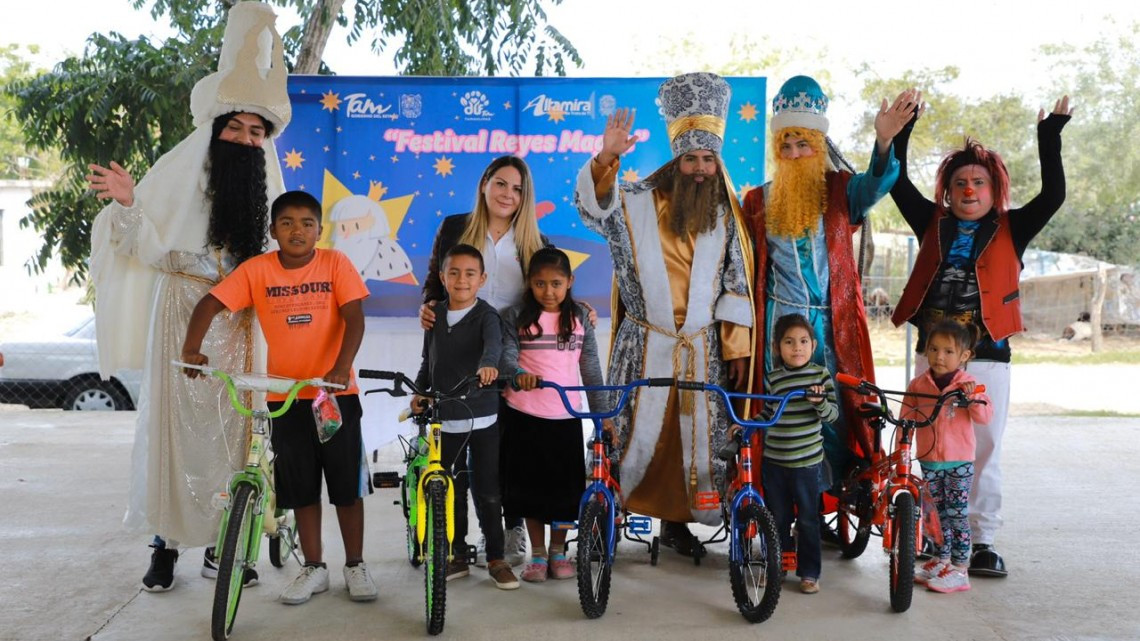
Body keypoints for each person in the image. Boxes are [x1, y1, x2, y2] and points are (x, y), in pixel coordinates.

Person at [86, 1, 291, 592]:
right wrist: (128, 205)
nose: (247, 140)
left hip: (243, 325)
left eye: (258, 132)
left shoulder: (267, 198)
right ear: (214, 129)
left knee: (239, 436)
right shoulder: (176, 178)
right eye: (236, 127)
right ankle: (166, 545)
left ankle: (226, 547)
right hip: (180, 320)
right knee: (172, 435)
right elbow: (147, 249)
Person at [890, 93, 1072, 577]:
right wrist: (902, 130)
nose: (969, 190)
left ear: (994, 190)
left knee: (983, 448)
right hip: (931, 359)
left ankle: (982, 540)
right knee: (928, 446)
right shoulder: (931, 222)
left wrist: (1049, 137)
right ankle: (932, 536)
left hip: (988, 355)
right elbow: (897, 183)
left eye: (978, 182)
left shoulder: (1015, 226)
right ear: (947, 193)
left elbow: (1053, 195)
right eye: (959, 184)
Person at [574, 72, 754, 555]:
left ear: (717, 163)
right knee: (628, 436)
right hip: (643, 345)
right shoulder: (634, 202)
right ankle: (607, 518)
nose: (699, 168)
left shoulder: (726, 216)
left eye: (707, 160)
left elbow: (737, 283)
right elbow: (593, 210)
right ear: (676, 159)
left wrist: (737, 347)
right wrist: (607, 157)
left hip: (702, 348)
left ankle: (678, 525)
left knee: (691, 442)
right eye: (690, 158)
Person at [180, 190, 375, 604]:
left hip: (334, 394)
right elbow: (209, 304)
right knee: (300, 487)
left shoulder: (336, 263)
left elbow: (354, 317)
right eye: (286, 223)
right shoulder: (258, 271)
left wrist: (341, 367)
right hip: (284, 398)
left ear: (319, 231)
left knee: (345, 487)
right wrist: (191, 347)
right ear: (273, 230)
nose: (297, 230)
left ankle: (355, 565)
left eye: (307, 223)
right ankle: (314, 568)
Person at [743, 76, 917, 485]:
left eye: (803, 144)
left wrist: (884, 142)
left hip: (831, 327)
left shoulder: (842, 191)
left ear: (818, 147)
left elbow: (876, 184)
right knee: (783, 412)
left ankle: (832, 500)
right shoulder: (757, 201)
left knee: (835, 413)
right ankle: (779, 504)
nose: (794, 153)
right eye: (785, 146)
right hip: (779, 329)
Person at [419, 155, 549, 566]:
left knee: (506, 447)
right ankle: (456, 541)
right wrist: (427, 306)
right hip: (458, 351)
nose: (508, 194)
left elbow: (549, 293)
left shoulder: (533, 240)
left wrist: (581, 311)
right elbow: (432, 284)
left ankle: (508, 531)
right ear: (484, 184)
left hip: (509, 354)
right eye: (501, 184)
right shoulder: (456, 226)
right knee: (456, 450)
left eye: (517, 189)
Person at [499, 248, 608, 583]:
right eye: (540, 283)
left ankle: (559, 552)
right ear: (529, 283)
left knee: (563, 492)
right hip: (523, 415)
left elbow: (590, 370)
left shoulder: (579, 320)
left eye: (556, 283)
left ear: (570, 282)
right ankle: (538, 554)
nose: (548, 291)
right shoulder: (515, 315)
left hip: (565, 417)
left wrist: (603, 419)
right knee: (530, 490)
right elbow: (505, 357)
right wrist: (519, 375)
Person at [414, 243, 519, 590]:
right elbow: (428, 363)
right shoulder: (435, 316)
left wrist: (488, 364)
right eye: (454, 273)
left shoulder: (487, 316)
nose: (462, 280)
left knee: (488, 491)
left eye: (470, 273)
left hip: (483, 419)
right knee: (450, 490)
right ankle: (458, 553)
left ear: (482, 279)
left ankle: (496, 558)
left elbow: (494, 346)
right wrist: (419, 390)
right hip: (446, 420)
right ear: (443, 278)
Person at [904, 320, 993, 594]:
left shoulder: (970, 385)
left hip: (959, 462)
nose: (939, 356)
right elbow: (906, 417)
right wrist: (903, 447)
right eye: (933, 349)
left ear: (964, 356)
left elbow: (985, 416)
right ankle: (941, 559)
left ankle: (959, 568)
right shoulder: (918, 383)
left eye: (948, 351)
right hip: (929, 460)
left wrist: (972, 400)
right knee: (936, 514)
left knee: (956, 515)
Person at [759, 313, 838, 595]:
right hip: (775, 463)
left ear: (814, 345)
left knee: (807, 520)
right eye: (789, 342)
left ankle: (809, 572)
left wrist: (818, 403)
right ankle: (777, 565)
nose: (797, 348)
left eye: (804, 341)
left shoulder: (820, 376)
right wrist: (743, 423)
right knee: (776, 519)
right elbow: (767, 412)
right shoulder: (774, 377)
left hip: (806, 464)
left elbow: (831, 415)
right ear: (777, 348)